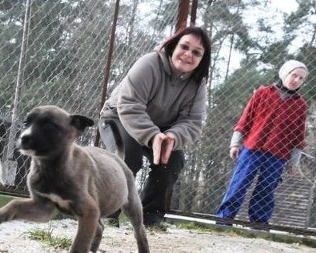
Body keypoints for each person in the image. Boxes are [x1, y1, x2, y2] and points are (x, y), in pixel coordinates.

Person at [99, 26, 211, 227]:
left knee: (173, 160)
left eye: (196, 52)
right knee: (129, 156)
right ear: (172, 46)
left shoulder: (198, 84)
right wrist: (152, 136)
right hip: (118, 118)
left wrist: (172, 136)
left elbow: (193, 122)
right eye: (184, 47)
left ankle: (150, 219)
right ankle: (107, 214)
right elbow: (129, 105)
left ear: (203, 58)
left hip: (160, 130)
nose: (188, 55)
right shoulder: (149, 63)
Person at [215, 60, 308, 229]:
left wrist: (294, 162)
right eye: (294, 75)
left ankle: (258, 223)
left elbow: (298, 137)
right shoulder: (263, 93)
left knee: (267, 189)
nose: (296, 80)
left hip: (278, 154)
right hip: (253, 148)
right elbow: (245, 119)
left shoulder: (300, 105)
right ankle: (224, 219)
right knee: (240, 183)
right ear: (285, 73)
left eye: (301, 78)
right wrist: (235, 143)